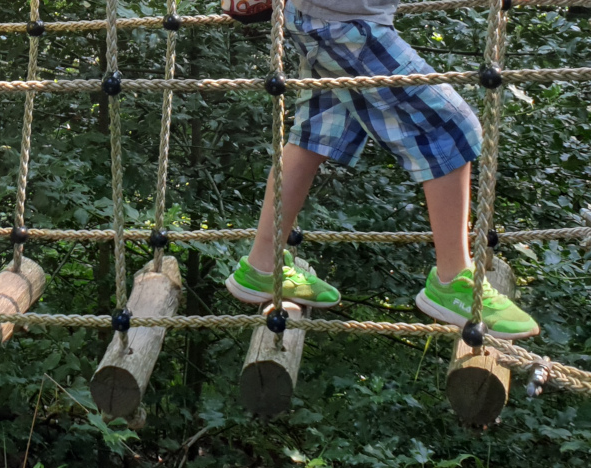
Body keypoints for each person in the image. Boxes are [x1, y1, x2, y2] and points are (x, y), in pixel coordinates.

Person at [223, 0, 539, 339]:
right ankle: (452, 278)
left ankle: (261, 264)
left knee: (316, 135)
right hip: (345, 22)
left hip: (320, 17)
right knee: (449, 128)